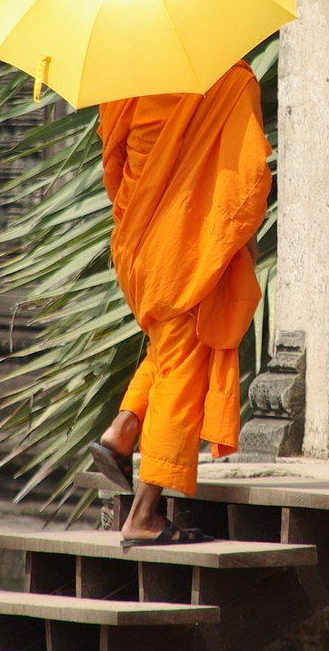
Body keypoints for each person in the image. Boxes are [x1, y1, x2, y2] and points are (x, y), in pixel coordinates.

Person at [86, 60, 271, 544]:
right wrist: (233, 239)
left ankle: (123, 429)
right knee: (185, 371)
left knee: (170, 348)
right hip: (186, 246)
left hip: (140, 244)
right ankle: (144, 517)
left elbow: (114, 165)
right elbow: (247, 177)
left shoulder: (127, 78)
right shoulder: (230, 81)